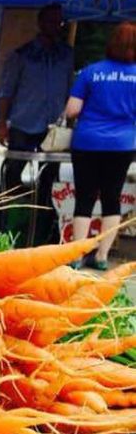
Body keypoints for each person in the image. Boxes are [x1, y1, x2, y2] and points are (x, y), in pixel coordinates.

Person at [0, 4, 74, 241]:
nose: (55, 27)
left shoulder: (67, 55)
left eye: (59, 22)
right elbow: (6, 91)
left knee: (49, 178)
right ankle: (6, 223)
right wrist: (2, 122)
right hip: (24, 122)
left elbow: (71, 88)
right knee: (13, 173)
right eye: (51, 22)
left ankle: (44, 228)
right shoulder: (22, 55)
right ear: (41, 23)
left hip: (54, 127)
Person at [65, 21, 136, 270]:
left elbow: (72, 109)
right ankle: (102, 257)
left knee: (84, 198)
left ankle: (76, 255)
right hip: (122, 144)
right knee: (112, 198)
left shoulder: (91, 72)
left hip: (87, 142)